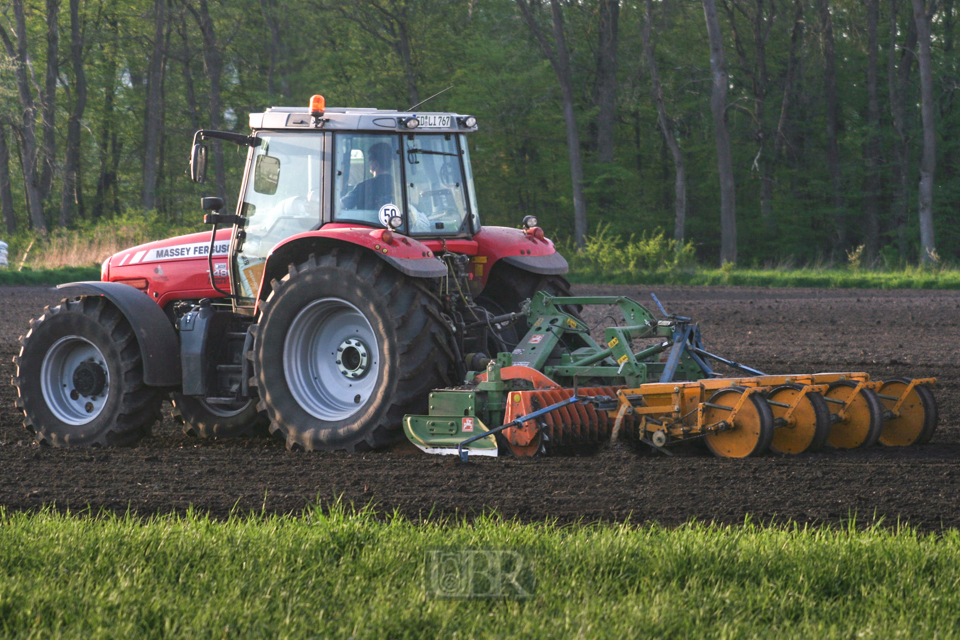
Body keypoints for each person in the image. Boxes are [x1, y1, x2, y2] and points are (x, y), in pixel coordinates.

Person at [340, 142, 395, 210]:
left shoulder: (363, 187)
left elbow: (341, 205)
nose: (369, 163)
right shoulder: (398, 186)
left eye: (369, 159)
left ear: (375, 164)